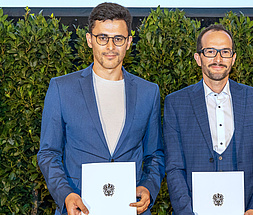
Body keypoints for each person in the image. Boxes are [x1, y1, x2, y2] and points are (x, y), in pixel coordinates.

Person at [37, 3, 164, 215]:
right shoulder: (61, 88)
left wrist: (148, 186)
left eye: (118, 39)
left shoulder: (148, 92)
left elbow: (155, 155)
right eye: (102, 38)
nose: (111, 47)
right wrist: (66, 194)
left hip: (130, 209)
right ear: (90, 40)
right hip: (80, 209)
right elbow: (48, 153)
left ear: (129, 42)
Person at [163, 24, 253, 215]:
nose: (218, 58)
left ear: (233, 58)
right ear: (198, 58)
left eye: (224, 51)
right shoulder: (176, 103)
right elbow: (174, 167)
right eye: (210, 51)